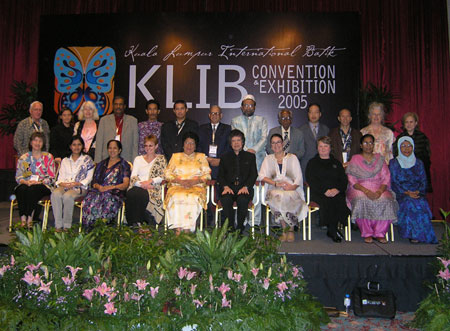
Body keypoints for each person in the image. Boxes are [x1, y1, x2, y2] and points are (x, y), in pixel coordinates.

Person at [346, 134, 398, 244]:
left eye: (371, 143)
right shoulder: (355, 159)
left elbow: (386, 177)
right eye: (365, 143)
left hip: (379, 187)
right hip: (359, 188)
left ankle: (380, 233)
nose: (368, 145)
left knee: (386, 200)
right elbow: (352, 180)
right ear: (361, 145)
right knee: (361, 200)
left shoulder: (380, 159)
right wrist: (366, 191)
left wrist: (379, 191)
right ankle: (367, 232)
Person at [260, 134, 307, 242]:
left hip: (291, 189)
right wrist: (275, 184)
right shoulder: (268, 159)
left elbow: (299, 177)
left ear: (283, 144)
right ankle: (284, 229)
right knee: (278, 196)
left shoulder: (292, 157)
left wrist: (292, 187)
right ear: (271, 146)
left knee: (288, 196)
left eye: (278, 142)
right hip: (274, 189)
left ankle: (289, 230)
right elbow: (262, 176)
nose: (276, 145)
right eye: (273, 143)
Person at [389, 137, 437, 244]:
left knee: (420, 203)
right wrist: (406, 192)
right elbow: (393, 182)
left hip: (417, 193)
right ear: (399, 147)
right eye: (403, 146)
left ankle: (423, 234)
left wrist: (418, 192)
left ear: (413, 147)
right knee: (409, 203)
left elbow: (423, 180)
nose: (406, 149)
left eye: (409, 146)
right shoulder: (394, 163)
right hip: (401, 194)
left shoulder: (419, 163)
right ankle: (413, 234)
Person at [164, 132, 211, 234]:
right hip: (177, 186)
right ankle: (178, 229)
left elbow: (207, 174)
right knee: (176, 196)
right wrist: (179, 181)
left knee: (192, 197)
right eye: (187, 143)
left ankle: (187, 229)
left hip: (196, 186)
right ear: (183, 144)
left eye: (192, 143)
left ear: (195, 145)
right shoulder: (175, 156)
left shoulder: (201, 157)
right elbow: (167, 173)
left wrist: (195, 181)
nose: (189, 146)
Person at [231, 94, 267, 225]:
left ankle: (255, 222)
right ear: (241, 107)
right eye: (245, 105)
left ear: (255, 107)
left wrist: (253, 150)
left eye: (250, 105)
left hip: (258, 159)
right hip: (240, 159)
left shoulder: (261, 120)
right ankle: (240, 220)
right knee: (240, 190)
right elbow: (235, 138)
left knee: (256, 191)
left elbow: (264, 138)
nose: (248, 107)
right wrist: (246, 150)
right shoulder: (235, 121)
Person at [306, 136, 349, 243]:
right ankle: (332, 229)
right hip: (319, 193)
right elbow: (311, 180)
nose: (323, 148)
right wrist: (325, 191)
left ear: (330, 148)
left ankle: (332, 228)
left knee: (338, 200)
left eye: (326, 146)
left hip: (336, 192)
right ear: (317, 148)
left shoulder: (337, 163)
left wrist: (337, 190)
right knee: (327, 201)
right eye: (320, 146)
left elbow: (343, 180)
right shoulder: (312, 163)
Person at [82, 140, 131, 227]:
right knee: (90, 200)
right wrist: (99, 187)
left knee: (106, 200)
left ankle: (104, 229)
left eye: (115, 148)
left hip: (114, 193)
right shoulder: (101, 164)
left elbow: (125, 184)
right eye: (110, 148)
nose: (112, 150)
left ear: (119, 150)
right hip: (99, 191)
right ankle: (90, 230)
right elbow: (94, 182)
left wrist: (110, 187)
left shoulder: (124, 165)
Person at [51, 135, 94, 230]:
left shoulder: (87, 160)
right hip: (65, 185)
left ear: (82, 146)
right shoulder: (65, 160)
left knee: (67, 196)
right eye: (74, 145)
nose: (76, 147)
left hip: (80, 187)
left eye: (79, 144)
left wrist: (77, 184)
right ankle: (58, 225)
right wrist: (62, 184)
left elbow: (89, 178)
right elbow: (60, 177)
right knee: (55, 193)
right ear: (70, 146)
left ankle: (67, 226)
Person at [218, 130, 257, 232]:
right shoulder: (224, 157)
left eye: (238, 140)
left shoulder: (250, 156)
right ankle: (230, 228)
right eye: (233, 141)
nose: (236, 143)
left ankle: (240, 228)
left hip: (244, 188)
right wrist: (225, 187)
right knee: (226, 200)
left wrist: (246, 187)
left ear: (243, 142)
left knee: (242, 200)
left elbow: (253, 174)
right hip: (228, 188)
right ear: (230, 143)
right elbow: (220, 175)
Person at [15, 132, 56, 228]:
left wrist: (39, 182)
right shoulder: (24, 158)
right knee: (21, 189)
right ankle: (23, 219)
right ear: (31, 142)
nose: (37, 143)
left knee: (32, 190)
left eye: (40, 141)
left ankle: (30, 219)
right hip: (27, 183)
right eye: (35, 140)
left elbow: (51, 177)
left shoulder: (48, 157)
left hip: (43, 185)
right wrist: (26, 182)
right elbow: (19, 177)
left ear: (43, 143)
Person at [126, 135, 166, 226]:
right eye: (146, 146)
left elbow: (163, 176)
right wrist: (142, 185)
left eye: (150, 145)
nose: (148, 148)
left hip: (153, 187)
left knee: (141, 195)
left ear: (156, 146)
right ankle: (135, 223)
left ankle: (142, 224)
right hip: (138, 185)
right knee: (131, 193)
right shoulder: (138, 159)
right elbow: (133, 177)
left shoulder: (161, 159)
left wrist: (151, 181)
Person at [392, 112, 432, 192]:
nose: (409, 124)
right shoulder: (400, 138)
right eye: (406, 122)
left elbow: (427, 154)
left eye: (411, 122)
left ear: (416, 123)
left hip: (419, 170)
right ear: (403, 124)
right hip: (403, 171)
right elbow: (396, 154)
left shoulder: (422, 137)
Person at [95, 96, 138, 163]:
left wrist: (134, 163)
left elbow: (135, 145)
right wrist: (97, 162)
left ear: (124, 106)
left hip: (126, 159)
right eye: (116, 104)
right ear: (112, 106)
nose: (118, 106)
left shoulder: (133, 121)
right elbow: (99, 143)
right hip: (106, 159)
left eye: (120, 104)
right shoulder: (104, 120)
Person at [198, 105, 231, 180]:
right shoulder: (201, 128)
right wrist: (206, 158)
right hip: (204, 166)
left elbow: (229, 147)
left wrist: (221, 160)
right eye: (212, 113)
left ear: (221, 115)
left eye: (216, 113)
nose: (214, 115)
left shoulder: (227, 129)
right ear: (209, 115)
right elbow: (198, 146)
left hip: (221, 166)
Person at [299, 103, 329, 176]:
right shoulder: (301, 130)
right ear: (308, 114)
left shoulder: (326, 129)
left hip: (322, 165)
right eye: (311, 112)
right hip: (305, 166)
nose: (313, 115)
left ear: (320, 114)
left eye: (316, 112)